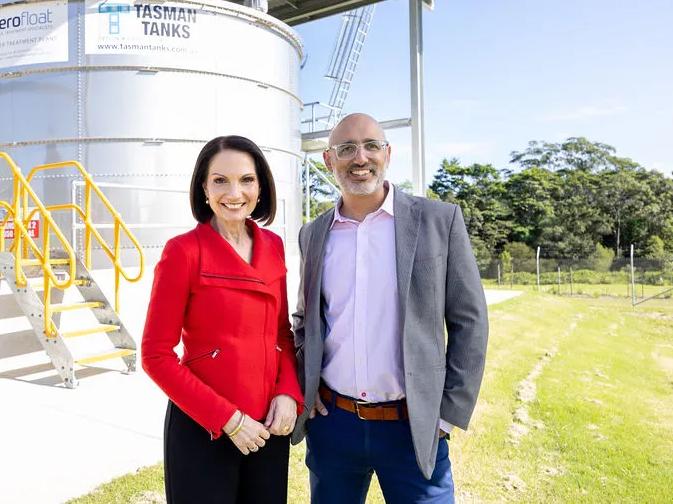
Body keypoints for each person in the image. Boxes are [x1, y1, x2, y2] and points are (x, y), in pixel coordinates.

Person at [291, 113, 489, 503]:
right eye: (346, 148)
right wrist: (306, 381)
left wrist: (449, 412)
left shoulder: (439, 220)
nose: (359, 157)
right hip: (335, 425)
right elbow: (305, 320)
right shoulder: (313, 234)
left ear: (387, 154)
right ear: (330, 161)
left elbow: (470, 320)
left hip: (412, 426)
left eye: (370, 146)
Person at [142, 135, 304, 504]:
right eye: (220, 180)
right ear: (203, 188)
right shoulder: (183, 252)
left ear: (261, 187)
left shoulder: (273, 246)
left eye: (246, 180)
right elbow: (156, 355)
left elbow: (281, 332)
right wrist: (229, 420)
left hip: (266, 427)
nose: (235, 192)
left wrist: (288, 393)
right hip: (205, 428)